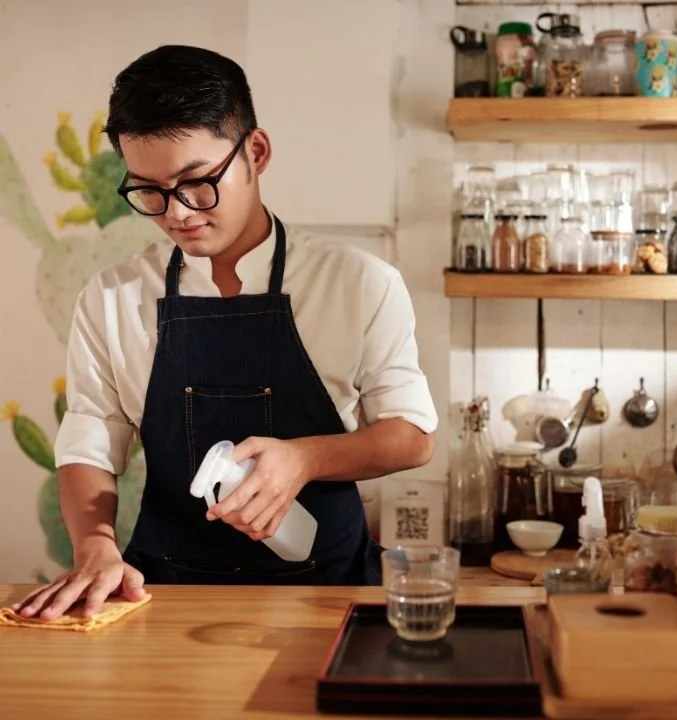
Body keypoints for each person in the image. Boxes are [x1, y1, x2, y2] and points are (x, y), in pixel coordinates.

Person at [14, 45, 437, 620]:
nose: (178, 213)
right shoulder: (113, 297)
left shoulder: (358, 282)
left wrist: (305, 459)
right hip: (164, 595)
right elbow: (90, 441)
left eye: (197, 182)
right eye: (149, 191)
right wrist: (95, 546)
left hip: (327, 594)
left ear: (255, 152)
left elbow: (410, 435)